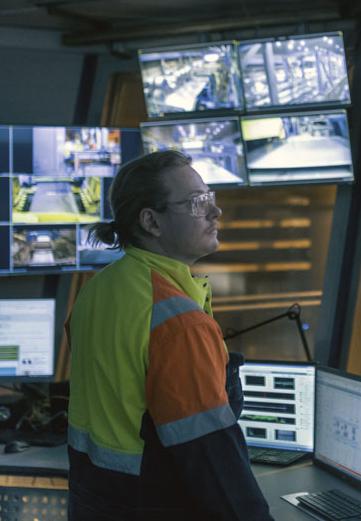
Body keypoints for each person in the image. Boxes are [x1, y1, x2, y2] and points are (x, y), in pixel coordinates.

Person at [66, 149, 272, 520]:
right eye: (196, 203)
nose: (215, 211)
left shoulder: (98, 289)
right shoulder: (179, 323)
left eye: (210, 198)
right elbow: (212, 459)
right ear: (152, 222)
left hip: (94, 500)